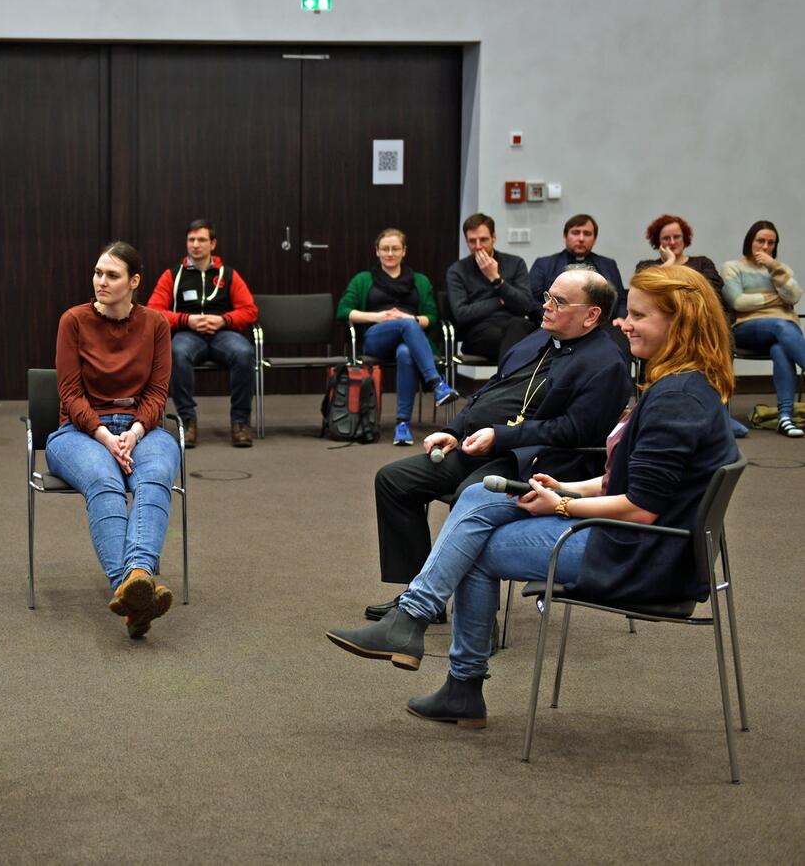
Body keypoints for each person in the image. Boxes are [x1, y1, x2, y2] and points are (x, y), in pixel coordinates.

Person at [328, 265, 738, 728]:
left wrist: (561, 504)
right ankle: (421, 630)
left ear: (678, 323)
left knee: (474, 546)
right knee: (479, 499)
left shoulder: (674, 397)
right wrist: (566, 489)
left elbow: (640, 507)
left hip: (637, 552)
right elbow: (619, 483)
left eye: (638, 316)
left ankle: (445, 661)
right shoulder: (682, 386)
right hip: (636, 536)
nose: (624, 324)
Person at [363, 269, 632, 622]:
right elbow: (491, 390)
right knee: (394, 480)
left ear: (592, 315)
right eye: (547, 297)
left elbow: (573, 432)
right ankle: (419, 590)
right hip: (484, 446)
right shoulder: (537, 337)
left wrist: (501, 437)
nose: (546, 307)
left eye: (559, 301)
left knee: (468, 495)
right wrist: (455, 430)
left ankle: (477, 619)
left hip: (538, 463)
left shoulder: (606, 363)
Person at [46, 241, 180, 638]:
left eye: (112, 275)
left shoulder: (156, 324)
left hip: (144, 428)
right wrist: (107, 437)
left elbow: (158, 393)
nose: (101, 281)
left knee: (154, 478)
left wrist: (135, 432)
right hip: (78, 431)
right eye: (98, 273)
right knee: (104, 482)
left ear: (134, 282)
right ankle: (134, 583)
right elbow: (69, 395)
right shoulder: (73, 320)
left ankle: (136, 580)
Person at [337, 228, 460, 446]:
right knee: (406, 324)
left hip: (411, 342)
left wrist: (408, 318)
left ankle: (402, 424)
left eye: (395, 248)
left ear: (404, 251)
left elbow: (431, 317)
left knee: (405, 352)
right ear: (377, 252)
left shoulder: (420, 281)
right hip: (376, 338)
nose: (390, 253)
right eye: (385, 248)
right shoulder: (363, 280)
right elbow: (344, 311)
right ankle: (435, 383)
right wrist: (379, 317)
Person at [147, 218, 258, 448]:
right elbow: (153, 312)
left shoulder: (228, 274)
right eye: (191, 240)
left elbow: (250, 311)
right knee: (177, 352)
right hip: (188, 333)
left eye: (201, 240)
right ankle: (187, 420)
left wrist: (223, 319)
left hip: (222, 333)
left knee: (244, 352)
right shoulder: (174, 274)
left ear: (213, 244)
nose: (196, 244)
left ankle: (240, 422)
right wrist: (187, 319)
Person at [636, 214, 748, 439]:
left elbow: (710, 293)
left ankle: (718, 416)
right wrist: (668, 265)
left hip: (700, 327)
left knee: (718, 333)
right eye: (665, 238)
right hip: (663, 330)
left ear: (685, 238)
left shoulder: (703, 263)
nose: (671, 242)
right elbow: (647, 294)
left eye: (676, 237)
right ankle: (655, 413)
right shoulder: (648, 266)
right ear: (657, 242)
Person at [722, 220, 805, 438]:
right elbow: (738, 302)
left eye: (771, 242)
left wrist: (774, 267)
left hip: (782, 331)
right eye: (760, 241)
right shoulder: (733, 267)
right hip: (746, 330)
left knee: (780, 347)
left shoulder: (779, 269)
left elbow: (795, 296)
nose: (765, 246)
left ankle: (785, 417)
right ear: (750, 241)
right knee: (782, 325)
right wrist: (776, 300)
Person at [445, 213, 535, 362]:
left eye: (484, 240)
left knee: (518, 326)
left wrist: (496, 280)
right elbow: (462, 314)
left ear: (494, 238)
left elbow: (525, 306)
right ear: (466, 242)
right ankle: (508, 383)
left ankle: (502, 383)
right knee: (517, 343)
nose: (478, 246)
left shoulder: (515, 263)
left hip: (514, 326)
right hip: (479, 333)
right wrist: (499, 301)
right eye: (472, 241)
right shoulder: (457, 270)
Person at [529, 213, 627, 320]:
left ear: (595, 239)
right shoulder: (544, 264)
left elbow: (621, 300)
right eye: (575, 233)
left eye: (587, 234)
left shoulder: (608, 264)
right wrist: (554, 317)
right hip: (553, 323)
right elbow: (532, 301)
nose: (581, 238)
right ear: (565, 236)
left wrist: (621, 318)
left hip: (603, 325)